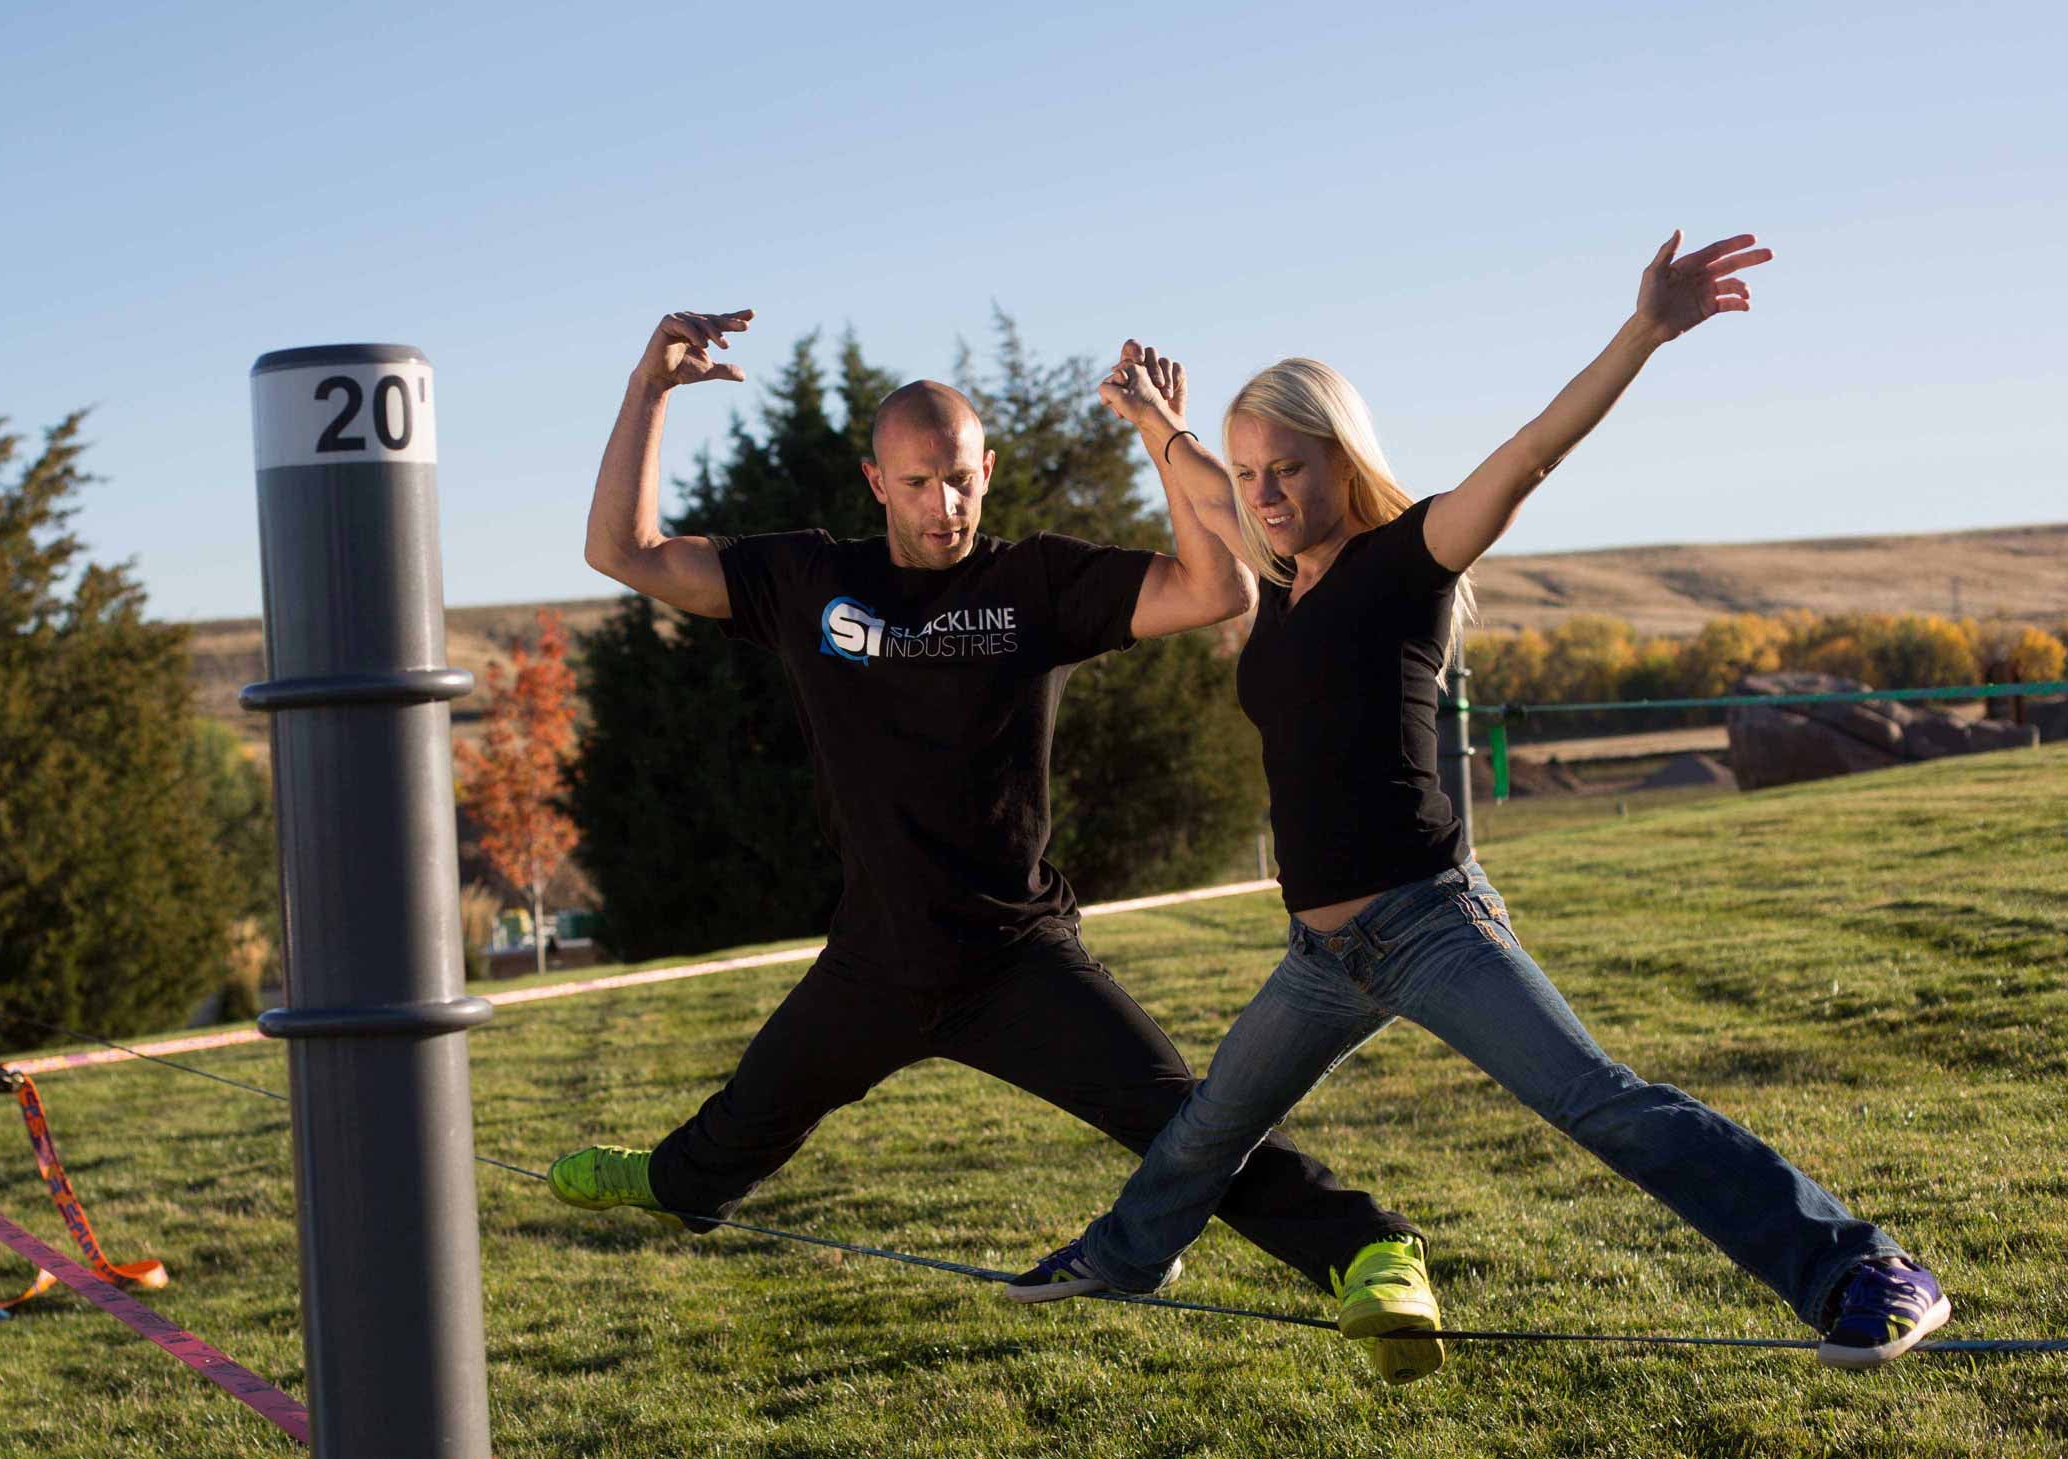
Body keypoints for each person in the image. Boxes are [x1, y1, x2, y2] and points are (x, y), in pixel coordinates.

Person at [1003, 234, 1952, 1370]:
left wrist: (1644, 331)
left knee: (1604, 1105)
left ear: (1341, 459)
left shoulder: (1409, 561)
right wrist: (1153, 419)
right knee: (1212, 1122)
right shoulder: (1276, 581)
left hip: (1431, 925)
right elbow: (1201, 485)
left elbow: (1532, 453)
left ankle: (1864, 1267)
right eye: (1254, 474)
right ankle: (1130, 1251)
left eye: (1289, 470)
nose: (1264, 495)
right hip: (1320, 957)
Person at [549, 308, 1451, 1384]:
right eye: (921, 483)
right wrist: (649, 387)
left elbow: (1215, 589)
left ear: (990, 470)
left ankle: (1370, 1252)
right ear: (878, 482)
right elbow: (622, 551)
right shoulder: (805, 580)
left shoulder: (1035, 584)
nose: (947, 505)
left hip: (1018, 960)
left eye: (964, 480)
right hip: (875, 962)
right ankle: (670, 1182)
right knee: (737, 1131)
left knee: (1187, 1126)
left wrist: (1156, 431)